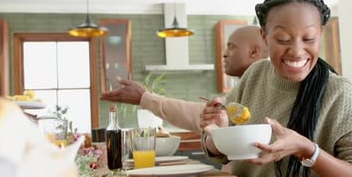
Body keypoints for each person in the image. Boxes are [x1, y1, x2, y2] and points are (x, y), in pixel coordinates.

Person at [199, 0, 352, 177]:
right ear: (264, 36)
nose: (296, 51)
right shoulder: (255, 74)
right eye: (283, 39)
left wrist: (308, 150)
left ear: (321, 35)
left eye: (309, 38)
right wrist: (218, 134)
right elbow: (216, 150)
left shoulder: (338, 93)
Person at [100, 25, 268, 133]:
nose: (224, 53)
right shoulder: (242, 91)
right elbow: (203, 117)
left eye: (231, 47)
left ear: (254, 52)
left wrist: (144, 97)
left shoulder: (265, 91)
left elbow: (198, 115)